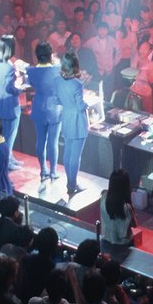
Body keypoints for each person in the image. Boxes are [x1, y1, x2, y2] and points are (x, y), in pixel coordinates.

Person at [26, 41, 62, 181]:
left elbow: (30, 84)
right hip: (54, 108)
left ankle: (43, 170)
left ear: (37, 56)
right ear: (50, 54)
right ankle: (53, 172)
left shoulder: (31, 71)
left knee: (41, 140)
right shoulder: (58, 69)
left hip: (39, 106)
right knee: (53, 141)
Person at [55, 50, 88, 197]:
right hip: (78, 120)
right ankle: (72, 184)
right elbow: (80, 106)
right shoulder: (77, 84)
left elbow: (57, 99)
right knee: (76, 156)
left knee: (68, 152)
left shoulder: (57, 80)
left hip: (66, 118)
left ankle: (71, 183)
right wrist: (88, 103)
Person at [0, 34, 23, 170]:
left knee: (4, 134)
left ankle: (9, 157)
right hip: (10, 103)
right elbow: (11, 88)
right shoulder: (9, 66)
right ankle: (7, 162)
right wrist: (20, 86)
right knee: (9, 134)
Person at [99, 168, 137, 261]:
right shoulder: (126, 207)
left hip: (106, 241)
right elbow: (134, 225)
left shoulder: (103, 198)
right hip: (123, 245)